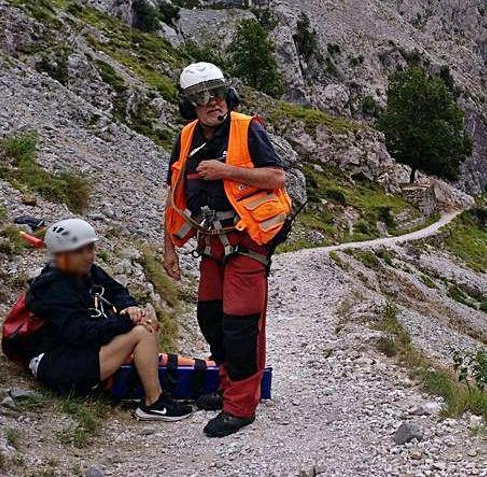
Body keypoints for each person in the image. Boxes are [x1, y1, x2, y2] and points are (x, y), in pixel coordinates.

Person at [163, 62, 291, 437]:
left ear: (227, 94)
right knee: (210, 318)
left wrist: (227, 171)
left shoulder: (246, 128)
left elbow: (276, 177)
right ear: (190, 105)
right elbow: (173, 196)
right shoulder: (186, 137)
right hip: (211, 245)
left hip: (246, 244)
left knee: (240, 326)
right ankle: (227, 385)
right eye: (200, 98)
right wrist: (170, 249)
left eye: (216, 93)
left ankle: (241, 406)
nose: (212, 103)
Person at [26, 218, 193, 422]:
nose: (89, 256)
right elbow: (79, 333)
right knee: (141, 330)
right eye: (81, 251)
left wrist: (129, 307)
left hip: (73, 353)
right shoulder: (52, 288)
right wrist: (124, 322)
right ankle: (153, 403)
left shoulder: (85, 272)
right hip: (56, 364)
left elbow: (116, 291)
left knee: (142, 323)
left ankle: (148, 393)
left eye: (91, 249)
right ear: (62, 256)